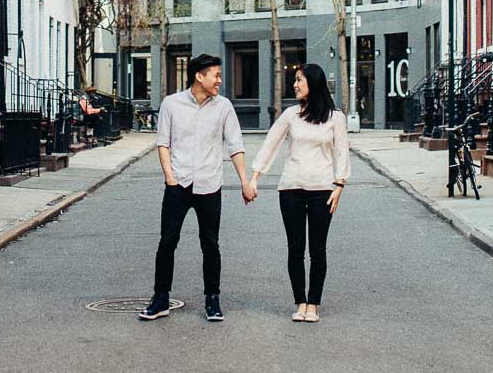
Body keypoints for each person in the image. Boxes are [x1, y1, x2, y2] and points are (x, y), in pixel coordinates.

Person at [139, 54, 251, 323]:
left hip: (210, 184)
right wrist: (169, 177)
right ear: (199, 76)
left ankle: (212, 299)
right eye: (215, 75)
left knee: (210, 244)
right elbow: (163, 142)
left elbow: (235, 145)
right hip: (178, 184)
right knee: (167, 242)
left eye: (219, 75)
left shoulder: (223, 107)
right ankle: (161, 298)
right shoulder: (172, 104)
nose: (219, 81)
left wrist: (245, 182)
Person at [246, 62, 350, 323]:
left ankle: (313, 303)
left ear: (313, 83)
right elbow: (271, 142)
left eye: (300, 80)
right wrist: (255, 176)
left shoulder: (335, 117)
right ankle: (300, 302)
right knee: (295, 248)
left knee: (317, 249)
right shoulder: (291, 114)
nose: (295, 84)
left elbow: (342, 151)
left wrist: (340, 185)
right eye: (295, 79)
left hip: (322, 190)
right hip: (290, 189)